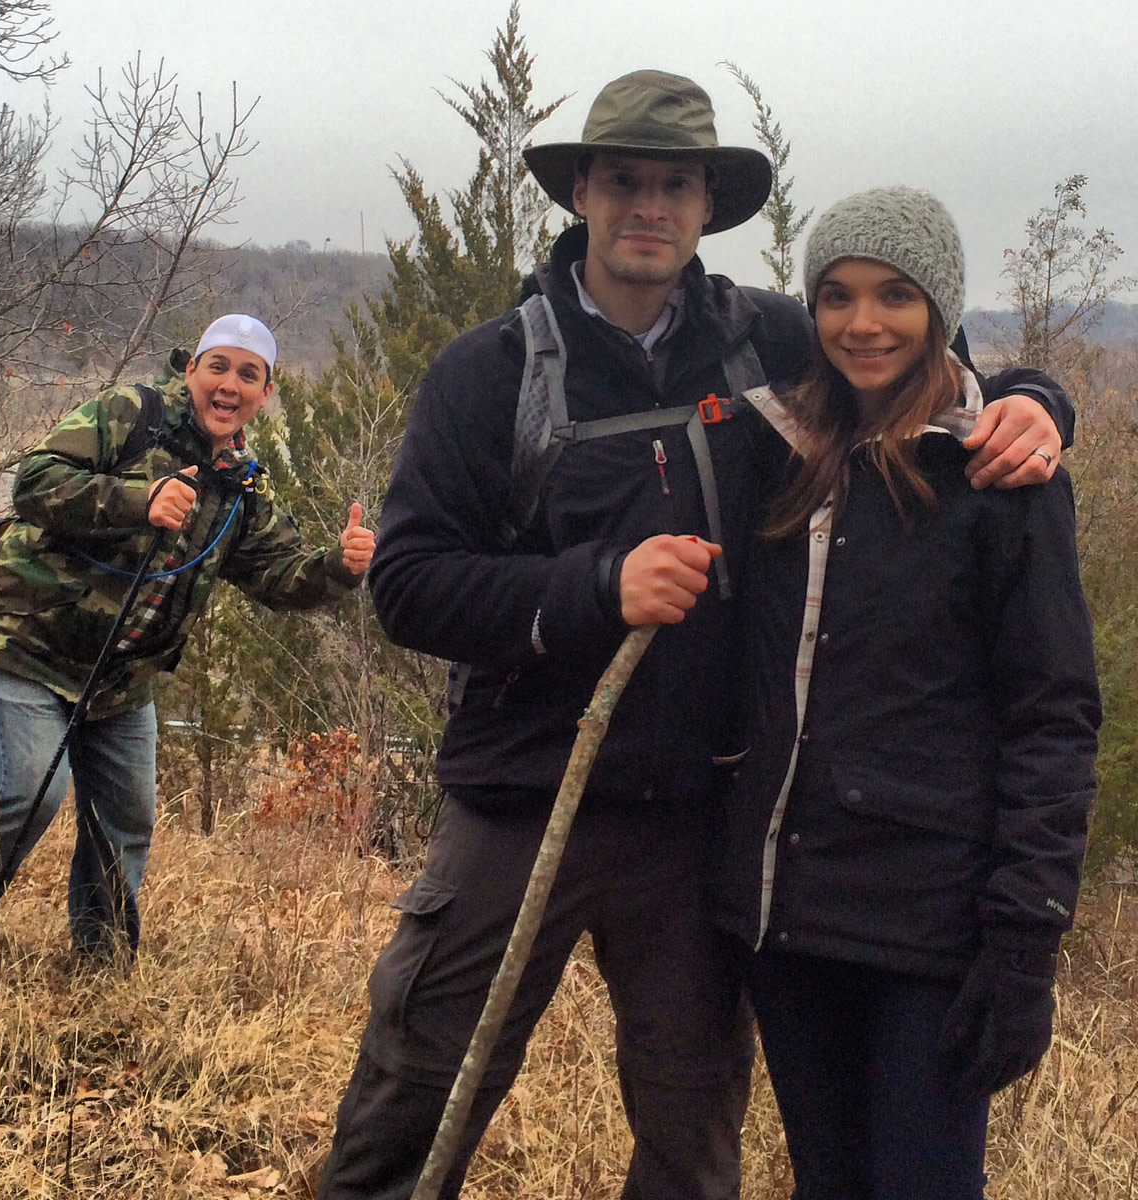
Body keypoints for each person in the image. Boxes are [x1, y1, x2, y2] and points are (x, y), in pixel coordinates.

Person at [316, 73, 1072, 1200]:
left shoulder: (770, 341)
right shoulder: (492, 371)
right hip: (523, 799)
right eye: (625, 180)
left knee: (691, 1137)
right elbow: (413, 586)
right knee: (419, 1093)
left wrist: (1036, 397)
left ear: (709, 205)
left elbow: (916, 361)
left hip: (696, 822)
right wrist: (596, 588)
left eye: (677, 184)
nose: (650, 207)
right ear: (582, 190)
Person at [711, 188, 1101, 1199]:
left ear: (941, 306)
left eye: (896, 294)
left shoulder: (1002, 477)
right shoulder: (777, 454)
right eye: (836, 296)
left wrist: (1025, 942)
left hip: (929, 930)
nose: (863, 322)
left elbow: (1052, 717)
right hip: (789, 922)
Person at [0, 313, 376, 962]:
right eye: (218, 367)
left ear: (266, 392)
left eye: (248, 375)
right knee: (26, 794)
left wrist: (339, 566)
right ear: (193, 370)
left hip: (120, 681)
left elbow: (277, 577)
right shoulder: (128, 414)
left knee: (124, 821)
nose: (230, 385)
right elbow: (35, 484)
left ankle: (102, 967)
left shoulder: (240, 487)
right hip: (21, 643)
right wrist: (136, 502)